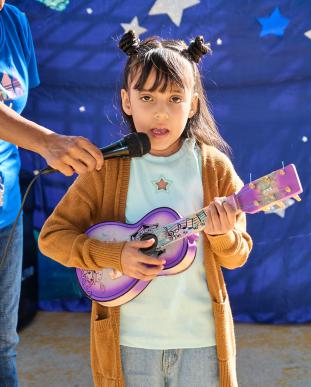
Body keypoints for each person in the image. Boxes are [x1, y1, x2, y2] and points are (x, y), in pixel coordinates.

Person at [38, 30, 253, 387]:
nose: (160, 112)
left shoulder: (213, 167)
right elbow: (52, 238)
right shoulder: (105, 169)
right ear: (127, 101)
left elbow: (237, 255)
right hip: (128, 344)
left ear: (193, 104)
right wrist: (115, 256)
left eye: (174, 98)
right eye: (147, 97)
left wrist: (222, 235)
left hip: (201, 340)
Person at [0, 2, 103, 386]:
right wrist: (47, 142)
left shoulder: (14, 22)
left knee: (2, 344)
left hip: (5, 213)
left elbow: (13, 114)